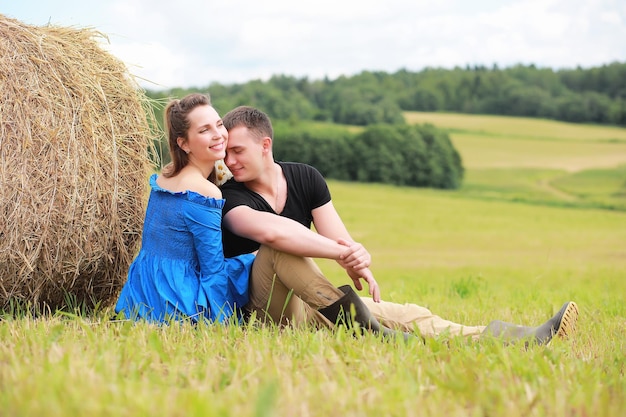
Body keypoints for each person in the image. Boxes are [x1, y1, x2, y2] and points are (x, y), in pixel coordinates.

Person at [219, 105, 579, 344]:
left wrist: (359, 262)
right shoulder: (231, 197)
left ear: (265, 145)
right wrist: (344, 252)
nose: (230, 161)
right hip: (266, 313)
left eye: (238, 151)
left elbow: (340, 238)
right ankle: (363, 326)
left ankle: (520, 338)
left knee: (408, 315)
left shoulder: (305, 178)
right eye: (226, 153)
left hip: (316, 303)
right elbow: (274, 232)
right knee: (278, 248)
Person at [114, 93, 255, 323]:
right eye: (204, 130)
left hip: (145, 293)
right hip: (178, 298)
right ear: (184, 143)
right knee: (260, 258)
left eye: (219, 125)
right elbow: (213, 270)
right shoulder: (204, 191)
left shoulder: (165, 176)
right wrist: (223, 320)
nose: (218, 134)